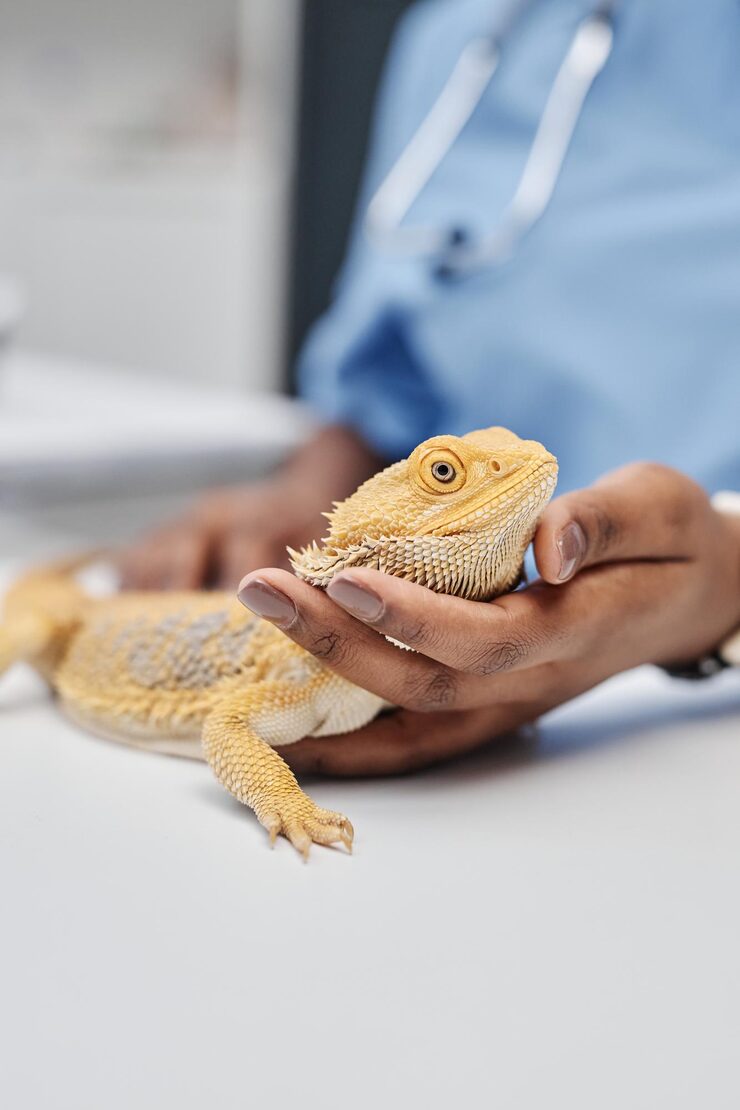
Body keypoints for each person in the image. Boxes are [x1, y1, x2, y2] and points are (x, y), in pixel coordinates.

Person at [120, 0, 740, 773]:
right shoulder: (453, 33)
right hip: (421, 650)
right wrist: (303, 504)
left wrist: (727, 576)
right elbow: (389, 371)